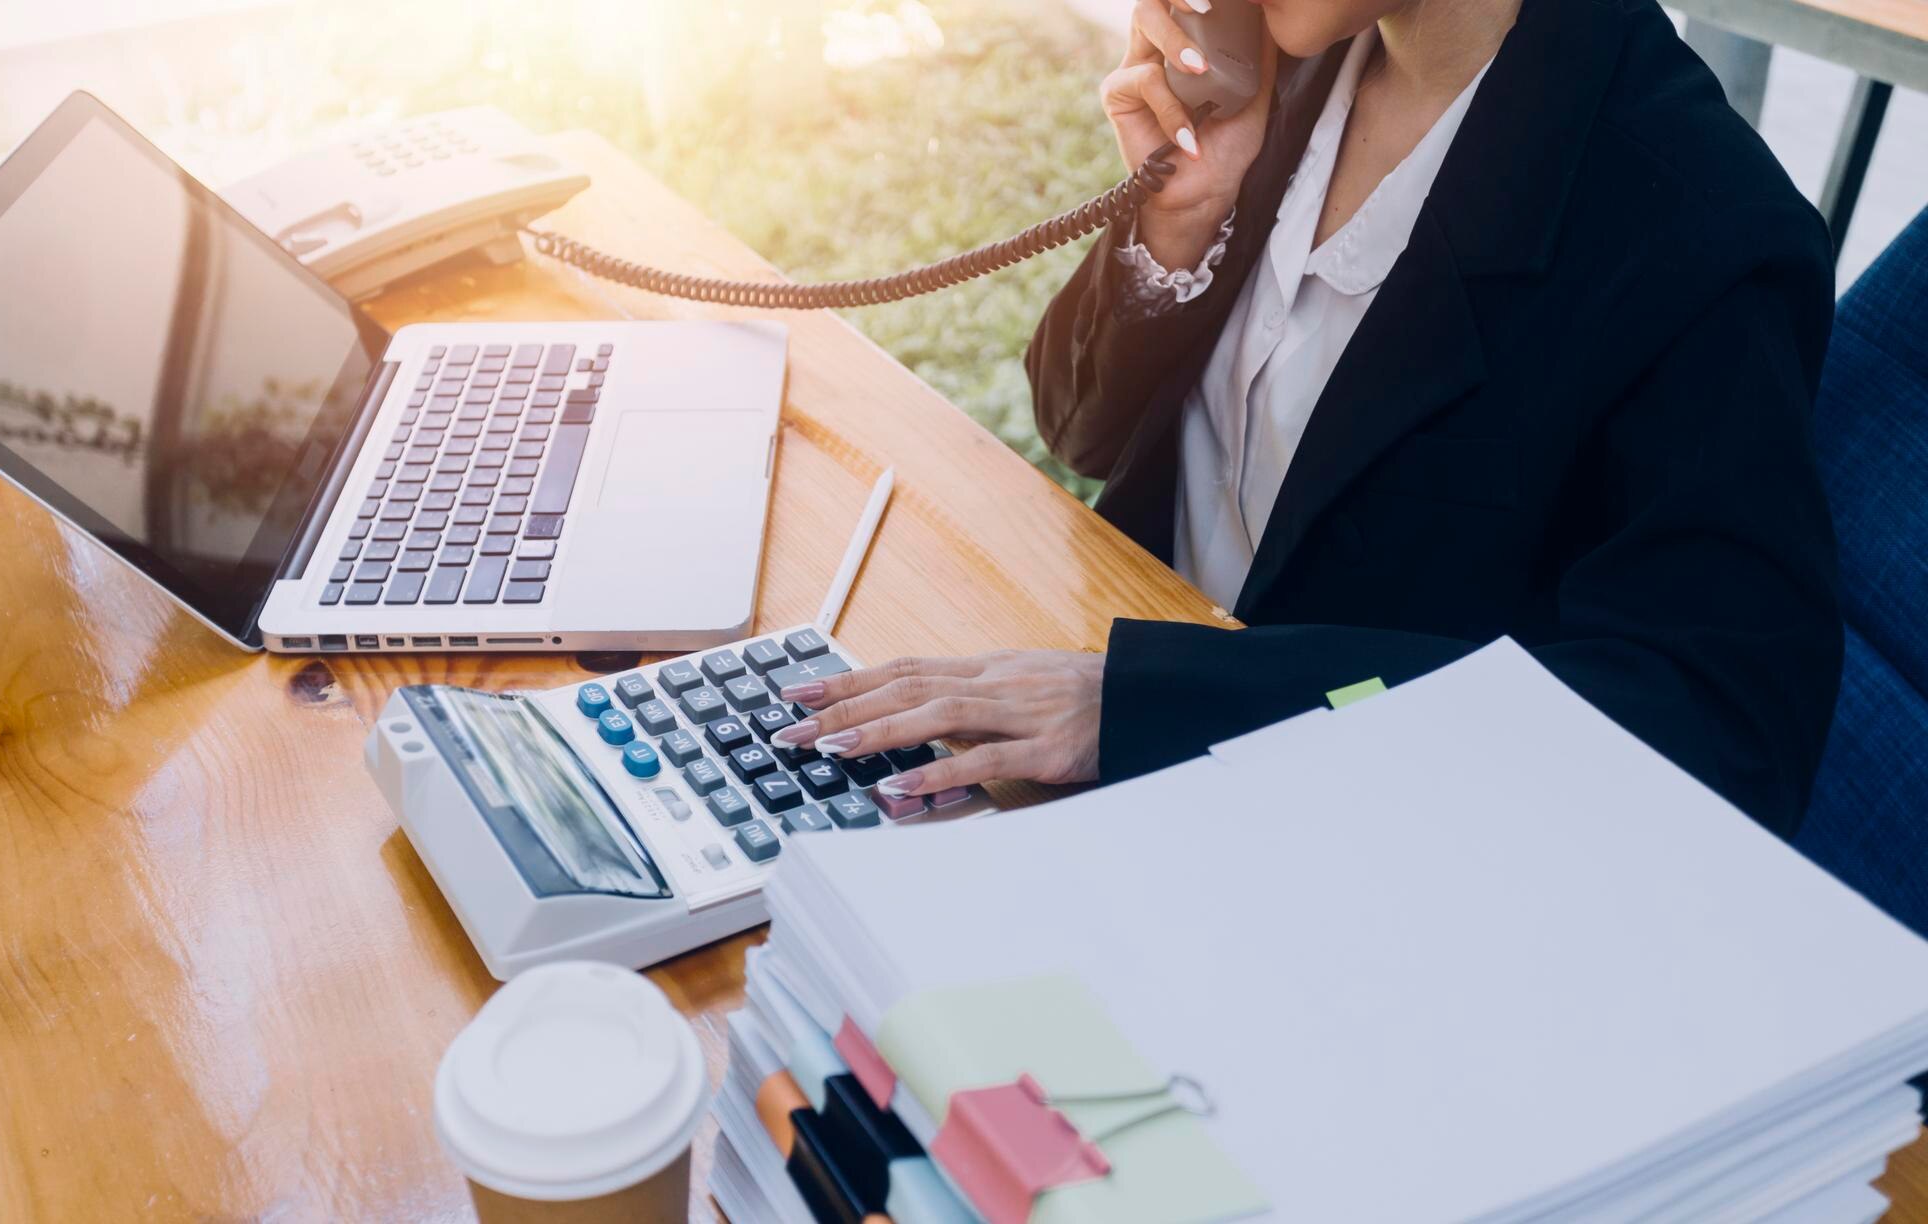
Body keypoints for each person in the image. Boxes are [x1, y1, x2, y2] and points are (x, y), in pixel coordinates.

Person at [769, 0, 1841, 836]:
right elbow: (1077, 427)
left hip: (1331, 840)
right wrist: (1175, 226)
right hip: (1088, 713)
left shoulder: (1701, 235)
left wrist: (1151, 706)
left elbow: (1715, 734)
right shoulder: (1293, 70)